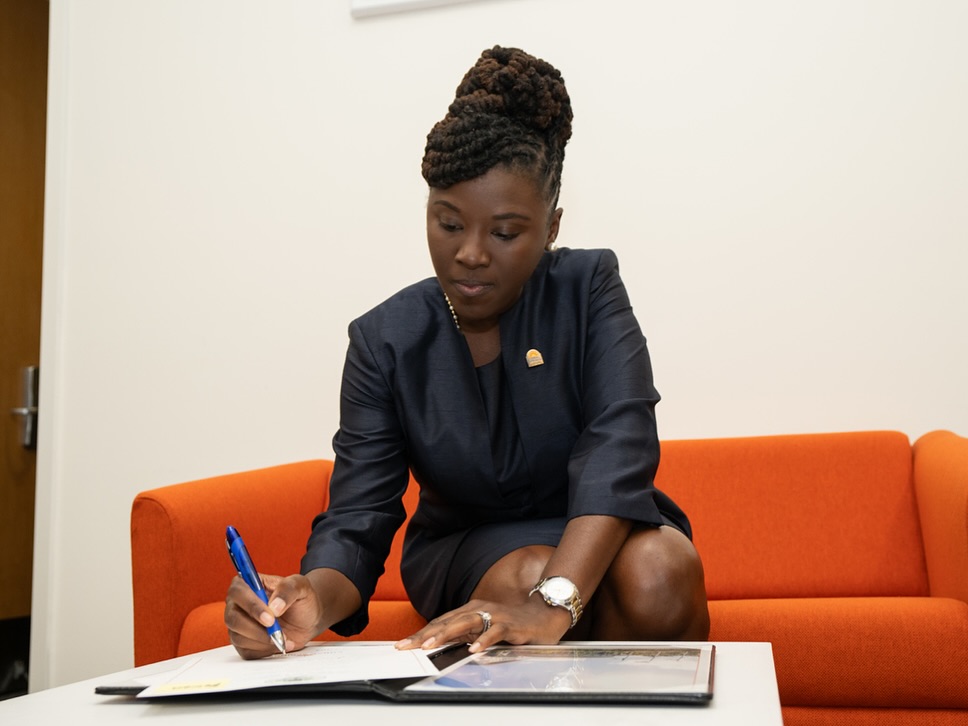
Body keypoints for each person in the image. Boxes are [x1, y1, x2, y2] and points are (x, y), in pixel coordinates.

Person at [225, 45, 710, 660]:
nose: (471, 253)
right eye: (448, 223)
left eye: (505, 233)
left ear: (552, 226)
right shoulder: (385, 341)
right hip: (470, 544)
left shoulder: (588, 287)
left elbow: (621, 445)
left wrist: (550, 603)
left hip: (599, 524)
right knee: (526, 569)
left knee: (661, 568)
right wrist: (309, 600)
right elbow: (360, 517)